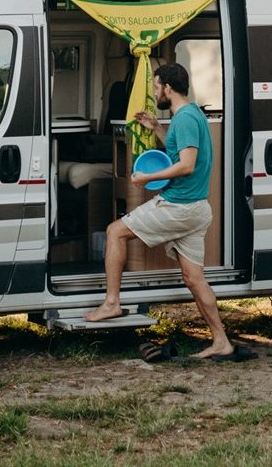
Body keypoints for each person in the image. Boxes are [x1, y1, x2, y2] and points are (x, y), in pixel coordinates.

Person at [83, 61, 233, 358]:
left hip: (179, 206)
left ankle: (112, 303)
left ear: (168, 87)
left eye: (155, 86)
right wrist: (156, 128)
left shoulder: (185, 119)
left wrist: (147, 178)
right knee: (194, 279)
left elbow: (187, 165)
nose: (154, 92)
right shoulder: (189, 116)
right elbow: (179, 152)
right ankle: (221, 342)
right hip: (196, 209)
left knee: (115, 232)